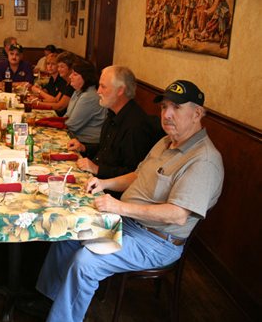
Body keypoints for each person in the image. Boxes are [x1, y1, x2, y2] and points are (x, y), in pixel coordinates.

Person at [34, 80, 224, 322]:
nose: (167, 115)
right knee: (68, 233)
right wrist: (105, 183)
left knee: (86, 262)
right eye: (164, 107)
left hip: (157, 241)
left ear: (197, 114)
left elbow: (177, 215)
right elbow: (138, 175)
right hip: (129, 223)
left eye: (176, 108)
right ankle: (49, 300)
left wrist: (119, 206)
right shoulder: (166, 141)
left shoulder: (204, 160)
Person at [67, 65, 158, 193]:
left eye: (103, 86)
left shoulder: (136, 125)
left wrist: (97, 169)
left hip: (111, 192)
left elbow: (134, 174)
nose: (98, 91)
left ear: (120, 90)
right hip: (96, 180)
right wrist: (84, 147)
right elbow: (106, 149)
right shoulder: (112, 113)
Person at [64, 60, 106, 151]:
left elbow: (72, 125)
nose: (70, 76)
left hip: (88, 145)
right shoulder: (78, 91)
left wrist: (51, 123)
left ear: (85, 77)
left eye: (75, 74)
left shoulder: (89, 96)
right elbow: (67, 116)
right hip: (76, 139)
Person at [31, 51, 77, 116]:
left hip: (61, 117)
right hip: (55, 113)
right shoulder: (66, 82)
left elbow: (59, 106)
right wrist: (37, 100)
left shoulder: (69, 83)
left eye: (62, 67)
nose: (59, 69)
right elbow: (55, 99)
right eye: (58, 66)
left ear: (71, 68)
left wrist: (38, 102)